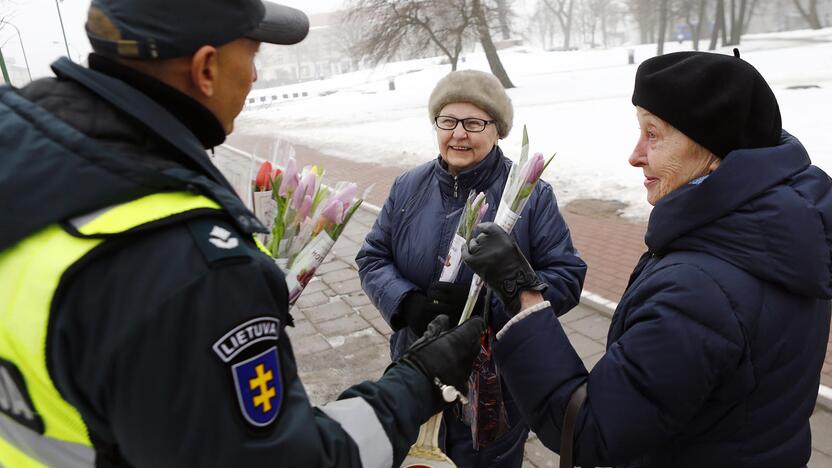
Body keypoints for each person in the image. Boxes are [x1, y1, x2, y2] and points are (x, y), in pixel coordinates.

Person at [0, 0, 487, 466]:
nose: (254, 75)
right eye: (252, 53)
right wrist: (420, 379)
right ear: (206, 67)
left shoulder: (26, 157)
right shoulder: (192, 263)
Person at [462, 50, 832, 467]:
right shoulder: (784, 232)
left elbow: (591, 430)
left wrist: (520, 297)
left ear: (714, 146)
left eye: (653, 134)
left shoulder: (700, 289)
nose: (635, 155)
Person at [356, 70, 586, 467]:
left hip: (495, 382)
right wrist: (407, 302)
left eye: (474, 123)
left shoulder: (529, 195)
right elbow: (373, 256)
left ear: (497, 130)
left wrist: (492, 305)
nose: (458, 134)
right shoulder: (408, 187)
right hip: (417, 369)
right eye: (447, 121)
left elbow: (566, 275)